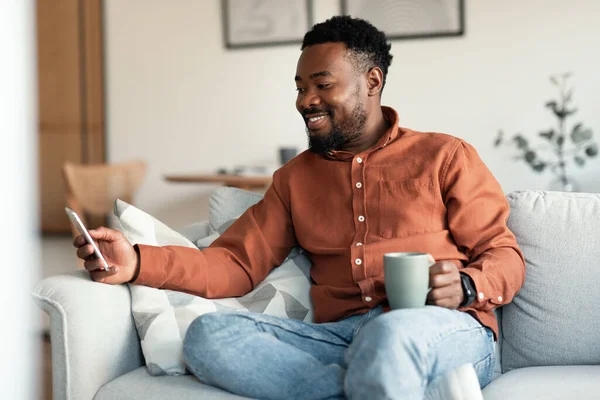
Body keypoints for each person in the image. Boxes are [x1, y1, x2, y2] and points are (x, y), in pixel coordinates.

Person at [74, 16, 525, 400]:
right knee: (209, 337)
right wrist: (136, 262)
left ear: (372, 82)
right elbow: (232, 264)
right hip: (339, 338)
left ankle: (387, 373)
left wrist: (467, 286)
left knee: (390, 337)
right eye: (300, 87)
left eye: (321, 85)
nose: (305, 100)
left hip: (442, 327)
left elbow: (502, 253)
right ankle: (377, 384)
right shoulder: (294, 180)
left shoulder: (445, 156)